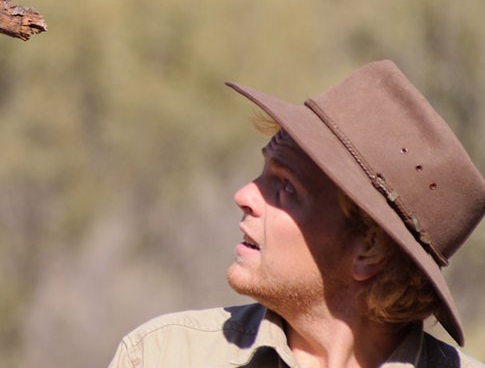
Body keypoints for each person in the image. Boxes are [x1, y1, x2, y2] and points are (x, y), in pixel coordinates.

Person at [108, 60, 485, 368]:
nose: (244, 195)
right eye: (264, 172)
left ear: (369, 247)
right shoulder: (165, 356)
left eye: (287, 187)